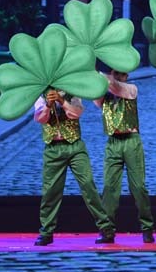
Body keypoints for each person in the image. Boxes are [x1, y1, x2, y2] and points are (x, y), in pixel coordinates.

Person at [32, 88, 115, 246]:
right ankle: (46, 232)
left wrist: (61, 101)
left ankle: (106, 228)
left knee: (88, 185)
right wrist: (49, 104)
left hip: (75, 145)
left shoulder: (72, 93)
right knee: (50, 191)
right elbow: (40, 119)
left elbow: (76, 113)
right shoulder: (42, 95)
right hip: (53, 148)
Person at [93, 70, 154, 244]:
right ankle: (107, 230)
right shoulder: (104, 94)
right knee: (109, 188)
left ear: (127, 76)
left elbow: (116, 87)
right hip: (113, 142)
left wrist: (100, 74)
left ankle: (147, 228)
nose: (119, 76)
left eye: (122, 74)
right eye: (116, 73)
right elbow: (96, 96)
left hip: (131, 141)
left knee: (138, 187)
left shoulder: (131, 89)